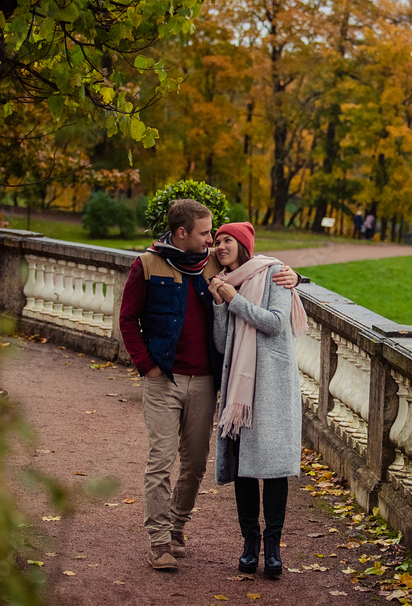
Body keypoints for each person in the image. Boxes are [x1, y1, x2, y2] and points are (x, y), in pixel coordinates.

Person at [119, 199, 299, 571]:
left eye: (215, 236)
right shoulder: (147, 265)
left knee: (196, 463)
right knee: (160, 461)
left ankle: (177, 527)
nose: (212, 243)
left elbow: (256, 270)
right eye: (205, 234)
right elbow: (127, 319)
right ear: (181, 232)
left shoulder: (214, 266)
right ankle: (159, 543)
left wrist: (295, 278)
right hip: (163, 379)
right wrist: (147, 366)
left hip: (204, 381)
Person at [208, 222, 307, 578]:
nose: (220, 246)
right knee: (245, 467)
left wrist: (233, 300)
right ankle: (250, 544)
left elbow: (277, 323)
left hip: (272, 386)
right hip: (239, 387)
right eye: (217, 241)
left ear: (244, 245)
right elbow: (222, 344)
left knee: (274, 468)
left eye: (227, 240)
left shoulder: (275, 274)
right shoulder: (222, 283)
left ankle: (273, 547)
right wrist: (221, 304)